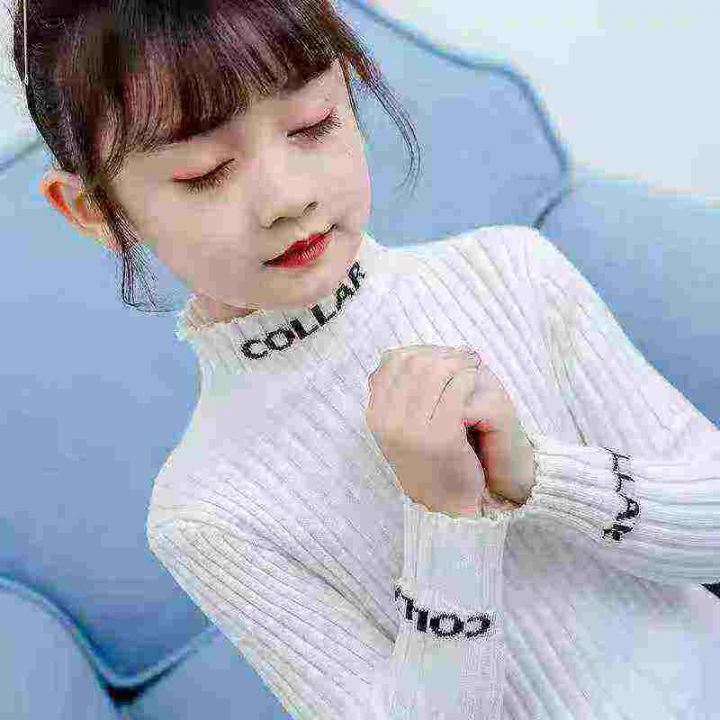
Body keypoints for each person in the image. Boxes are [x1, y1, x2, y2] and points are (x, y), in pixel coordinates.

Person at [14, 0, 720, 717]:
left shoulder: (512, 273)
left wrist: (538, 476)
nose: (288, 199)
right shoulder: (206, 511)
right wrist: (447, 522)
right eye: (205, 173)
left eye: (312, 124)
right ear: (94, 212)